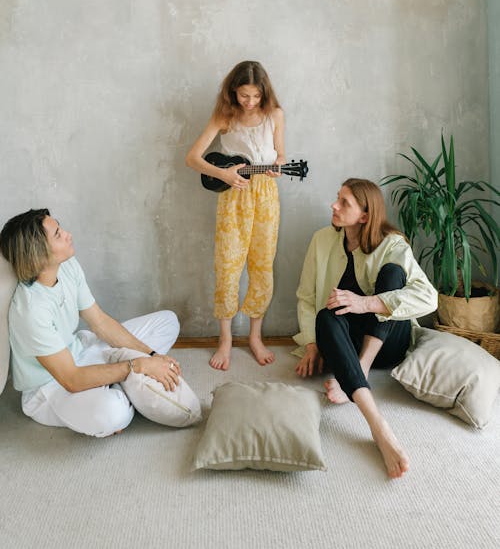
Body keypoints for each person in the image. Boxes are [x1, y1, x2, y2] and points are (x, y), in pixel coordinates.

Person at [0, 208, 197, 437]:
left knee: (168, 322)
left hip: (82, 351)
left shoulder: (67, 267)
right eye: (57, 234)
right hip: (50, 389)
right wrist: (140, 366)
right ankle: (122, 381)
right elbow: (71, 379)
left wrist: (152, 355)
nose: (68, 234)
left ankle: (117, 378)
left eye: (60, 228)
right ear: (38, 254)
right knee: (112, 413)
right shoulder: (30, 310)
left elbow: (100, 322)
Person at [293, 178, 438, 478]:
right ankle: (377, 424)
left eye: (344, 202)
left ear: (365, 215)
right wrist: (311, 344)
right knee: (325, 315)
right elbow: (306, 298)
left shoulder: (393, 244)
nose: (334, 205)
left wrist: (367, 303)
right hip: (344, 344)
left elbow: (429, 298)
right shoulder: (321, 240)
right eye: (337, 198)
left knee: (393, 274)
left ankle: (362, 370)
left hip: (389, 346)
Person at [186, 60, 285, 370]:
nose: (250, 102)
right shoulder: (224, 116)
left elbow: (281, 154)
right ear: (233, 92)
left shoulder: (275, 115)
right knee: (228, 266)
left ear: (264, 93)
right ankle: (225, 338)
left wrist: (278, 166)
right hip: (233, 197)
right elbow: (192, 158)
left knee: (262, 265)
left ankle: (255, 336)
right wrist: (224, 174)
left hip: (266, 196)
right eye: (244, 95)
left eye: (255, 96)